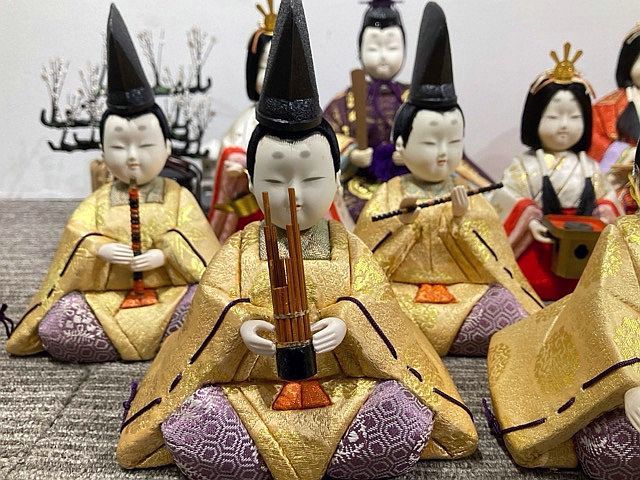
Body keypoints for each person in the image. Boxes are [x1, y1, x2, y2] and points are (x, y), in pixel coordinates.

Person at [116, 2, 477, 478]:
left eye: (311, 178)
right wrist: (239, 327)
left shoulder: (348, 248)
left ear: (335, 177)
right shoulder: (239, 250)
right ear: (250, 180)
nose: (294, 194)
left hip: (340, 393)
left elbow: (380, 309)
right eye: (274, 179)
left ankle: (276, 459)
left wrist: (349, 323)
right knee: (195, 422)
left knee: (401, 412)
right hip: (255, 396)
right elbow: (212, 312)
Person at [5, 5, 219, 363]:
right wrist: (99, 249)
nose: (132, 157)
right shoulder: (99, 202)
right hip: (109, 304)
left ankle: (172, 341)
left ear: (167, 147)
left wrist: (166, 252)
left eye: (145, 145)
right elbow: (76, 244)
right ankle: (168, 345)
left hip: (170, 296)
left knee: (207, 306)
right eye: (119, 147)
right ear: (103, 152)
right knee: (58, 325)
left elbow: (202, 250)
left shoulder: (177, 196)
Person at [354, 2, 540, 357]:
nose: (443, 153)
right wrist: (403, 226)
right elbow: (367, 266)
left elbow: (494, 266)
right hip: (403, 296)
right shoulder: (390, 194)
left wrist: (462, 221)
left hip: (463, 298)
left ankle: (410, 345)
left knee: (509, 308)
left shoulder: (469, 195)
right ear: (401, 146)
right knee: (367, 311)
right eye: (429, 142)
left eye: (453, 142)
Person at [485, 142, 640, 480]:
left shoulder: (589, 168)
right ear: (637, 181)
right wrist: (631, 382)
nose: (564, 124)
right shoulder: (627, 236)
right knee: (613, 450)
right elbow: (610, 303)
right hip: (628, 358)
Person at [324, 0, 490, 226]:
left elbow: (441, 137)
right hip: (361, 184)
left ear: (404, 49)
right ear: (359, 50)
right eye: (373, 48)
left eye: (392, 48)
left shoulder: (417, 99)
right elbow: (326, 138)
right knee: (356, 214)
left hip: (413, 179)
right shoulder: (345, 101)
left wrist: (413, 155)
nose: (383, 56)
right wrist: (351, 154)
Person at [491, 43, 621, 301]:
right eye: (553, 117)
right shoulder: (525, 166)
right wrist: (529, 219)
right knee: (529, 294)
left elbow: (608, 201)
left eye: (574, 117)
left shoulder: (590, 167)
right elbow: (507, 198)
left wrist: (603, 216)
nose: (564, 125)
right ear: (535, 118)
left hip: (582, 249)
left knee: (587, 294)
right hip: (539, 247)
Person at [207, 1, 276, 241]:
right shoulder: (247, 121)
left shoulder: (307, 121)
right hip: (251, 211)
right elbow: (230, 151)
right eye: (265, 67)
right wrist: (238, 166)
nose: (273, 77)